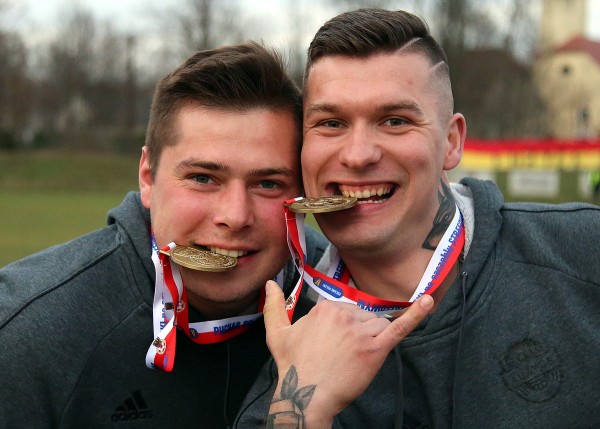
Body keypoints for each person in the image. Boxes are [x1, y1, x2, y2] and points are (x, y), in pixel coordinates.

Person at [236, 9, 600, 429]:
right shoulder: (290, 355)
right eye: (331, 123)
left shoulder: (581, 253)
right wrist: (305, 409)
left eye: (395, 121)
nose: (358, 154)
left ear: (451, 142)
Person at [0, 42, 327, 428]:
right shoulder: (28, 333)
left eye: (268, 184)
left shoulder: (344, 304)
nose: (235, 216)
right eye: (203, 178)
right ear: (147, 178)